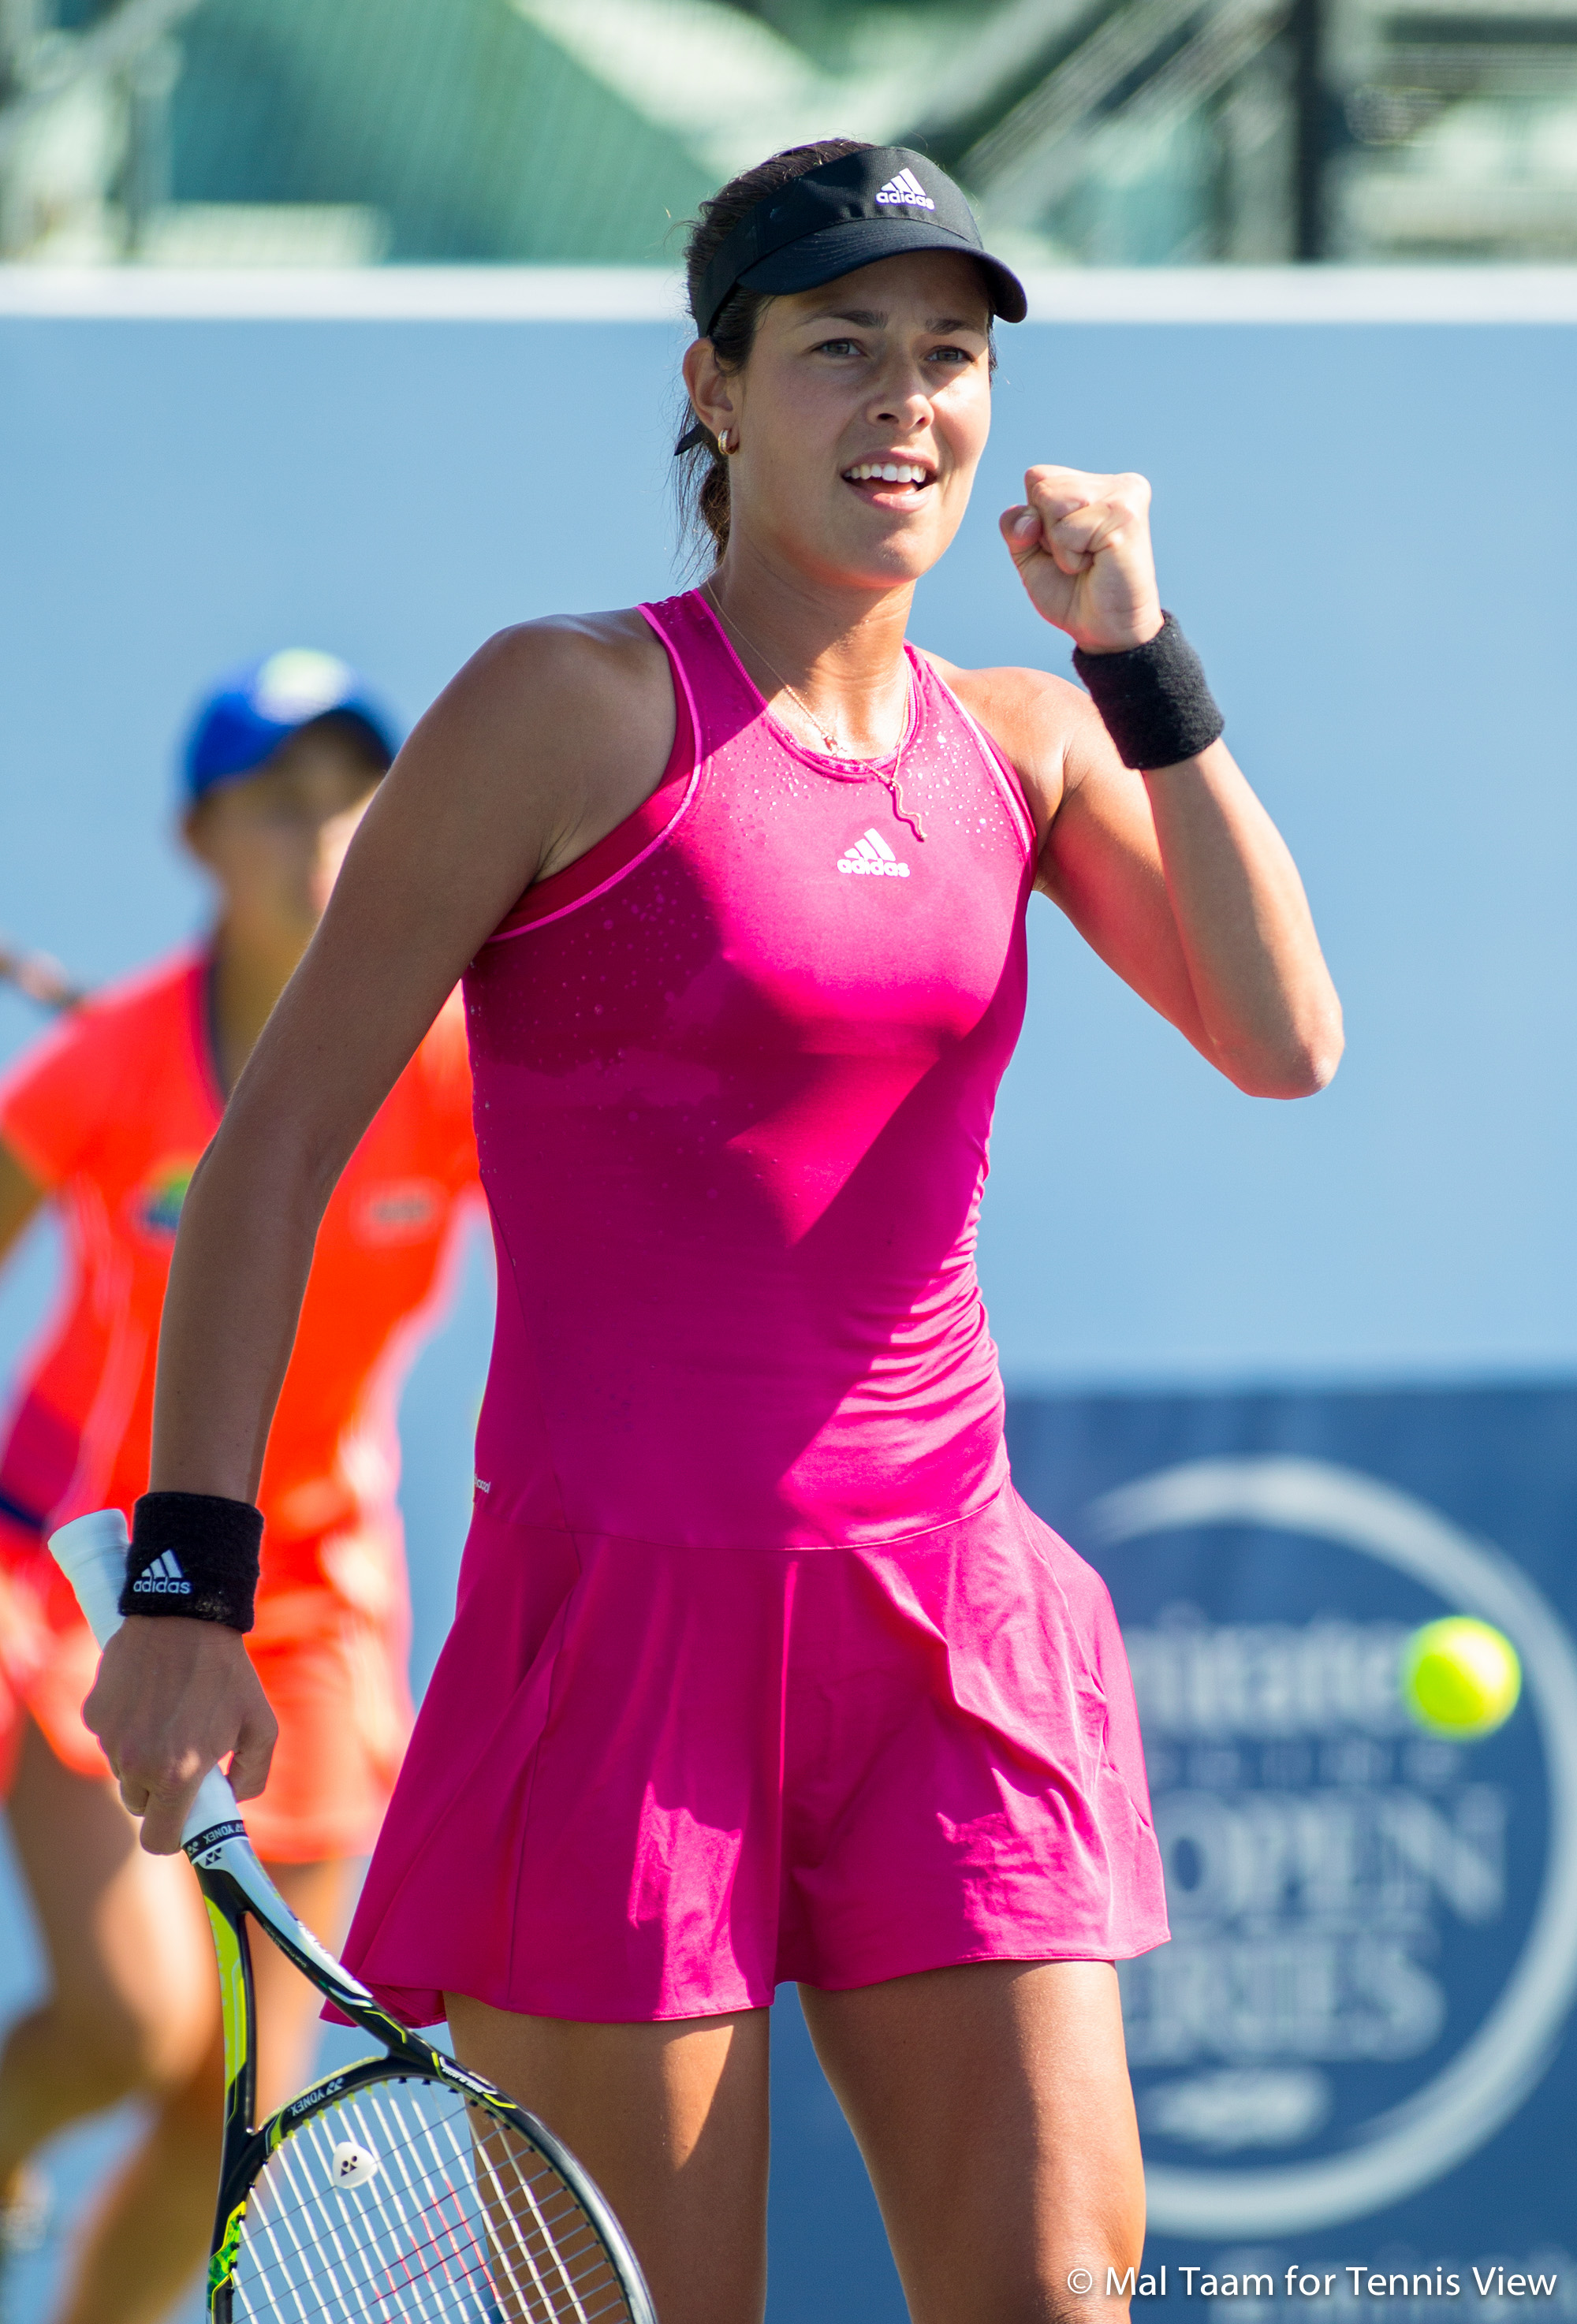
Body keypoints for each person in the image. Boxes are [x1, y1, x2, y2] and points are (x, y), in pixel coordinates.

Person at [85, 141, 1344, 2324]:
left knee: (1056, 2291)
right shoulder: (561, 703)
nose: (908, 403)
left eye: (948, 356)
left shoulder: (1029, 739)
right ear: (719, 389)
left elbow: (1284, 1031)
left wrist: (1139, 647)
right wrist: (189, 1581)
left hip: (951, 1629)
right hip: (624, 1656)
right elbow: (274, 1144)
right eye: (841, 348)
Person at [0, 650, 479, 2324]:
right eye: (277, 799)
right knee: (135, 2026)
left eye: (352, 788)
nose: (323, 828)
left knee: (235, 2118)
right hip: (72, 1574)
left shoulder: (455, 1063)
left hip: (320, 1611)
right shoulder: (109, 1062)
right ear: (198, 838)